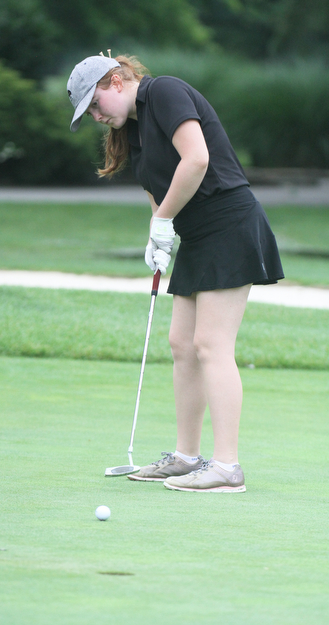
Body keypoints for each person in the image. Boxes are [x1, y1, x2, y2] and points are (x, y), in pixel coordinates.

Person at [67, 52, 284, 493]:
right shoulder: (134, 130)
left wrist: (163, 221)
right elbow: (157, 189)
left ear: (117, 79)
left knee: (210, 344)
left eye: (94, 103)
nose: (95, 115)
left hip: (229, 224)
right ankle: (187, 457)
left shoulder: (163, 91)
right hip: (197, 236)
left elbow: (197, 159)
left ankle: (227, 467)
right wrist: (157, 235)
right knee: (181, 343)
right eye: (88, 111)